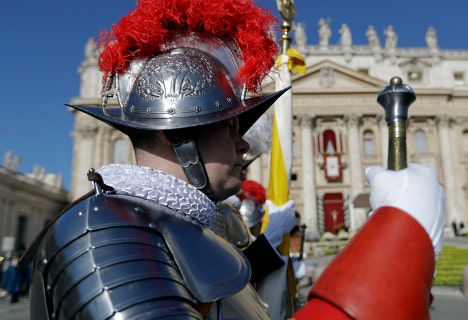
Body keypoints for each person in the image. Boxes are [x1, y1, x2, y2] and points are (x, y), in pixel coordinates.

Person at [21, 0, 445, 319]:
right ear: (178, 134)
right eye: (228, 128)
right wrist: (395, 244)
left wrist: (270, 255)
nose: (244, 146)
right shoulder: (106, 236)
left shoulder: (179, 225)